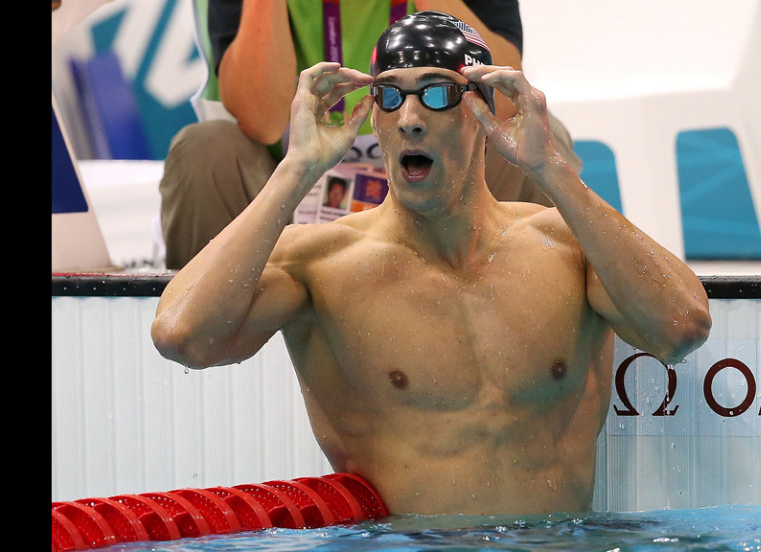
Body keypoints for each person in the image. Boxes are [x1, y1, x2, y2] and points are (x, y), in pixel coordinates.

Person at [151, 11, 711, 516]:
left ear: (482, 111)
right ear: (374, 117)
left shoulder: (562, 247)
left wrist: (555, 173)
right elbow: (183, 337)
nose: (410, 119)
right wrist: (295, 170)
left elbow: (681, 328)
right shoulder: (323, 262)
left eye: (438, 94)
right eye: (391, 96)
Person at [158, 0, 581, 269]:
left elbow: (501, 102)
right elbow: (260, 118)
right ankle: (218, 337)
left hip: (442, 185)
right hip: (289, 186)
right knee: (206, 150)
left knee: (541, 140)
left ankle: (520, 321)